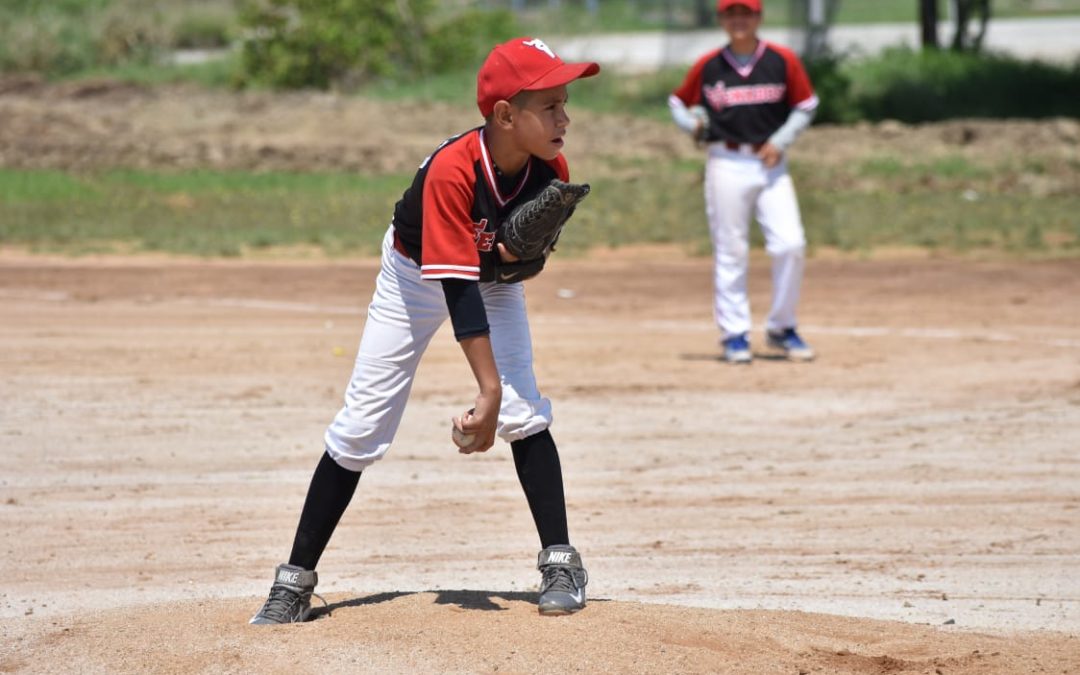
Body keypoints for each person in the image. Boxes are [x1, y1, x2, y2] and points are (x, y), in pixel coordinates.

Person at [249, 37, 599, 624]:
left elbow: (511, 263)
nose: (565, 118)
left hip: (487, 275)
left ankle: (561, 561)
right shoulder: (451, 172)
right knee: (363, 423)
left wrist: (514, 255)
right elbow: (456, 290)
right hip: (414, 274)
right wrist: (483, 394)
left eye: (566, 103)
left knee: (522, 409)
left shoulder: (550, 168)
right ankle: (294, 581)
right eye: (551, 106)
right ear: (504, 115)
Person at [668, 0, 819, 364]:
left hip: (770, 164)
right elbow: (677, 101)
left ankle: (782, 327)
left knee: (790, 244)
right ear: (722, 19)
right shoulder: (710, 65)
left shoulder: (780, 60)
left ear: (758, 17)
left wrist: (781, 141)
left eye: (746, 13)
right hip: (726, 160)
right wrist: (694, 125)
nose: (739, 20)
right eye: (731, 13)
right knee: (731, 248)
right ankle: (735, 333)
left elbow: (806, 104)